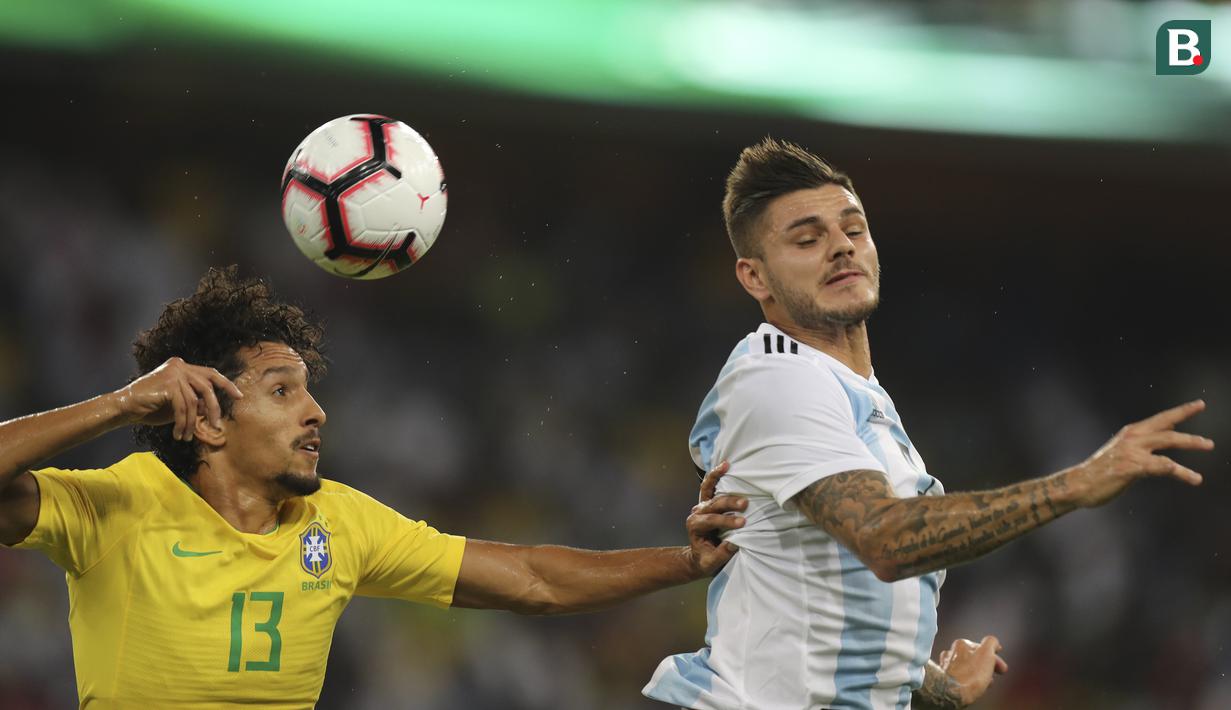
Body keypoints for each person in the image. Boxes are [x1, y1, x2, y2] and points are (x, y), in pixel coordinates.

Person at [0, 265, 747, 709]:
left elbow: (530, 579)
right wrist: (121, 402)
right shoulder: (118, 504)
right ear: (214, 419)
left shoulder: (340, 524)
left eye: (309, 390)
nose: (316, 409)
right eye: (283, 390)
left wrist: (680, 564)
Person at [643, 138, 1215, 710]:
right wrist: (1076, 485)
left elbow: (821, 594)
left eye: (853, 229)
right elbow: (886, 540)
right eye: (807, 239)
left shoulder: (852, 392)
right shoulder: (777, 381)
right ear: (755, 278)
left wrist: (940, 689)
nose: (841, 248)